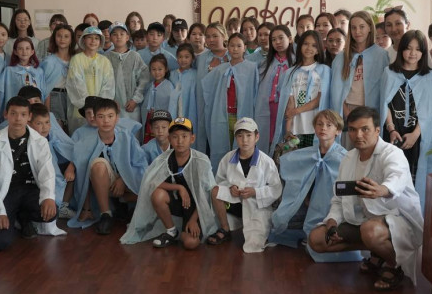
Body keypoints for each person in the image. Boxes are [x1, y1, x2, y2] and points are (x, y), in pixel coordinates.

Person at [308, 107, 424, 291]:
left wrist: (382, 189)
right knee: (317, 239)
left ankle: (394, 264)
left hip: (396, 219)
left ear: (377, 130)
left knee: (370, 231)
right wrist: (332, 221)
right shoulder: (349, 158)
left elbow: (397, 177)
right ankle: (377, 252)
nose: (358, 135)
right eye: (353, 130)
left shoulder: (392, 153)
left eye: (365, 129)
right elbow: (339, 198)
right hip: (364, 221)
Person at [269, 110, 361, 262]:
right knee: (283, 217)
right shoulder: (308, 154)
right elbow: (292, 169)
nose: (323, 128)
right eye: (319, 124)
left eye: (329, 125)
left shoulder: (345, 158)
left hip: (332, 208)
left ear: (338, 130)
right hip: (308, 203)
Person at [120, 117, 218, 249]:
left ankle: (186, 229)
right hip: (177, 203)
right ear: (169, 139)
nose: (180, 141)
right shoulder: (163, 159)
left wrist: (194, 220)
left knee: (190, 243)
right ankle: (171, 231)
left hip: (196, 208)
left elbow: (206, 194)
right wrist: (179, 187)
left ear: (192, 138)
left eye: (184, 136)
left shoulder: (201, 160)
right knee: (157, 194)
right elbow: (151, 181)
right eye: (175, 137)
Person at [0, 96, 58, 251]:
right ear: (6, 115)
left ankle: (23, 217)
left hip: (30, 189)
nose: (18, 119)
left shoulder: (40, 141)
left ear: (29, 117)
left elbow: (47, 171)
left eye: (23, 114)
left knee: (51, 211)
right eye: (13, 113)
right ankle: (13, 215)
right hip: (7, 193)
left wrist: (48, 197)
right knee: (0, 243)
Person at [380, 30, 432, 209]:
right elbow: (384, 104)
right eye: (408, 48)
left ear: (423, 52)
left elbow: (429, 109)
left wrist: (415, 134)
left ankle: (414, 215)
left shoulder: (428, 76)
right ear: (401, 50)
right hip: (393, 132)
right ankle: (391, 214)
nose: (413, 53)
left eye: (418, 49)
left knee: (414, 175)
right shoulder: (389, 72)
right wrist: (391, 129)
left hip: (418, 134)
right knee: (392, 173)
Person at [68, 98, 147, 234]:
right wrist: (86, 208)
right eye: (101, 116)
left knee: (151, 188)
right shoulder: (86, 141)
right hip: (105, 183)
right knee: (98, 165)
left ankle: (123, 203)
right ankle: (106, 214)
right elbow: (82, 172)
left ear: (117, 118)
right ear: (95, 118)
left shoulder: (127, 137)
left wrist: (123, 180)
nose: (106, 121)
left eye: (110, 116)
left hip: (129, 181)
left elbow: (140, 164)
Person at [207, 118, 282, 253]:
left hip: (255, 205)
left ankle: (257, 228)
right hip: (235, 203)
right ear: (236, 138)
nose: (244, 140)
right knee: (215, 191)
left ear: (256, 137)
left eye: (249, 135)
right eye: (240, 136)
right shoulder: (228, 158)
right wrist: (230, 187)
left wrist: (255, 192)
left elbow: (276, 188)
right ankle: (225, 228)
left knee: (254, 245)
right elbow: (219, 180)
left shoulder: (266, 162)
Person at [330, 11, 390, 148]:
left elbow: (384, 90)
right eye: (353, 27)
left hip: (371, 112)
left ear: (370, 28)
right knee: (348, 152)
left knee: (369, 152)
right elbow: (336, 91)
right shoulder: (342, 57)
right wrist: (347, 112)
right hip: (348, 111)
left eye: (362, 27)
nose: (357, 31)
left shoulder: (381, 56)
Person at [201, 33, 259, 171]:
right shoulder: (220, 69)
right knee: (221, 148)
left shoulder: (252, 68)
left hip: (242, 114)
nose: (235, 49)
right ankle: (222, 177)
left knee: (243, 147)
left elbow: (255, 92)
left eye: (239, 46)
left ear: (245, 47)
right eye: (232, 45)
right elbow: (208, 89)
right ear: (227, 47)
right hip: (223, 115)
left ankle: (242, 176)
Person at [272, 30, 331, 151]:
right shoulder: (290, 72)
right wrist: (288, 130)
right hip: (296, 128)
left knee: (313, 158)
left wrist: (296, 111)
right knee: (295, 158)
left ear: (319, 49)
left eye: (314, 45)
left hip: (316, 127)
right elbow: (290, 104)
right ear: (299, 46)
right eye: (305, 44)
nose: (309, 48)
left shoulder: (324, 70)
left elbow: (320, 100)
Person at [28, 103, 76, 220]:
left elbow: (73, 151)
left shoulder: (52, 137)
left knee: (73, 170)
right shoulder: (29, 142)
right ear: (29, 124)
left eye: (47, 122)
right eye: (39, 123)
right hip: (35, 185)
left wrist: (71, 166)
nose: (44, 127)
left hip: (56, 174)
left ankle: (63, 206)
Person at [66, 26, 115, 134]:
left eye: (96, 38)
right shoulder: (76, 59)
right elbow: (75, 85)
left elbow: (108, 86)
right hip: (81, 110)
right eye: (89, 37)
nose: (93, 41)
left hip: (100, 112)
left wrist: (100, 107)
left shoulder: (105, 61)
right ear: (83, 39)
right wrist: (87, 107)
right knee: (81, 137)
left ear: (100, 41)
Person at [255, 25, 294, 152]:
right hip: (267, 108)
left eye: (281, 38)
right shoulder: (266, 62)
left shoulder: (296, 61)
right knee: (267, 138)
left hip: (286, 108)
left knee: (284, 141)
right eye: (274, 39)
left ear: (290, 39)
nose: (277, 42)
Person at [194, 22, 230, 152]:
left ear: (223, 36)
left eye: (215, 36)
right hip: (207, 107)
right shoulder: (202, 58)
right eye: (208, 37)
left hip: (228, 108)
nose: (211, 40)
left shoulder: (233, 55)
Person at [105, 21, 149, 124]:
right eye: (114, 34)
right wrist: (110, 100)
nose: (118, 37)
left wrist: (135, 100)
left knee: (133, 131)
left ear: (127, 37)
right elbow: (103, 83)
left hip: (132, 108)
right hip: (113, 108)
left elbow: (144, 80)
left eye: (122, 34)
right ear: (110, 38)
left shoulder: (135, 57)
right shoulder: (106, 58)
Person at [0, 37, 46, 118]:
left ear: (32, 51)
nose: (24, 51)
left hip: (35, 113)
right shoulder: (9, 71)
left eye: (27, 48)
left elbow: (43, 93)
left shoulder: (39, 72)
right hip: (16, 113)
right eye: (20, 48)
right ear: (15, 51)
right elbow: (1, 93)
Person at [40, 24, 76, 132]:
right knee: (57, 130)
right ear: (54, 38)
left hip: (71, 98)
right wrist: (47, 110)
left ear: (71, 39)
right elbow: (45, 88)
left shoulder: (76, 59)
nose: (62, 39)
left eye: (66, 36)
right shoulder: (49, 61)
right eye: (59, 36)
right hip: (54, 97)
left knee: (71, 130)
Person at [141, 55, 174, 143]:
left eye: (160, 69)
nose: (157, 72)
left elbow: (171, 107)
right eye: (154, 69)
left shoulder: (169, 87)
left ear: (166, 69)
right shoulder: (149, 85)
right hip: (149, 119)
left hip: (161, 121)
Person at [168, 43, 198, 125]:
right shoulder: (172, 74)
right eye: (180, 57)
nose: (183, 60)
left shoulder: (195, 75)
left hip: (189, 110)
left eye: (186, 57)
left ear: (192, 58)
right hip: (175, 110)